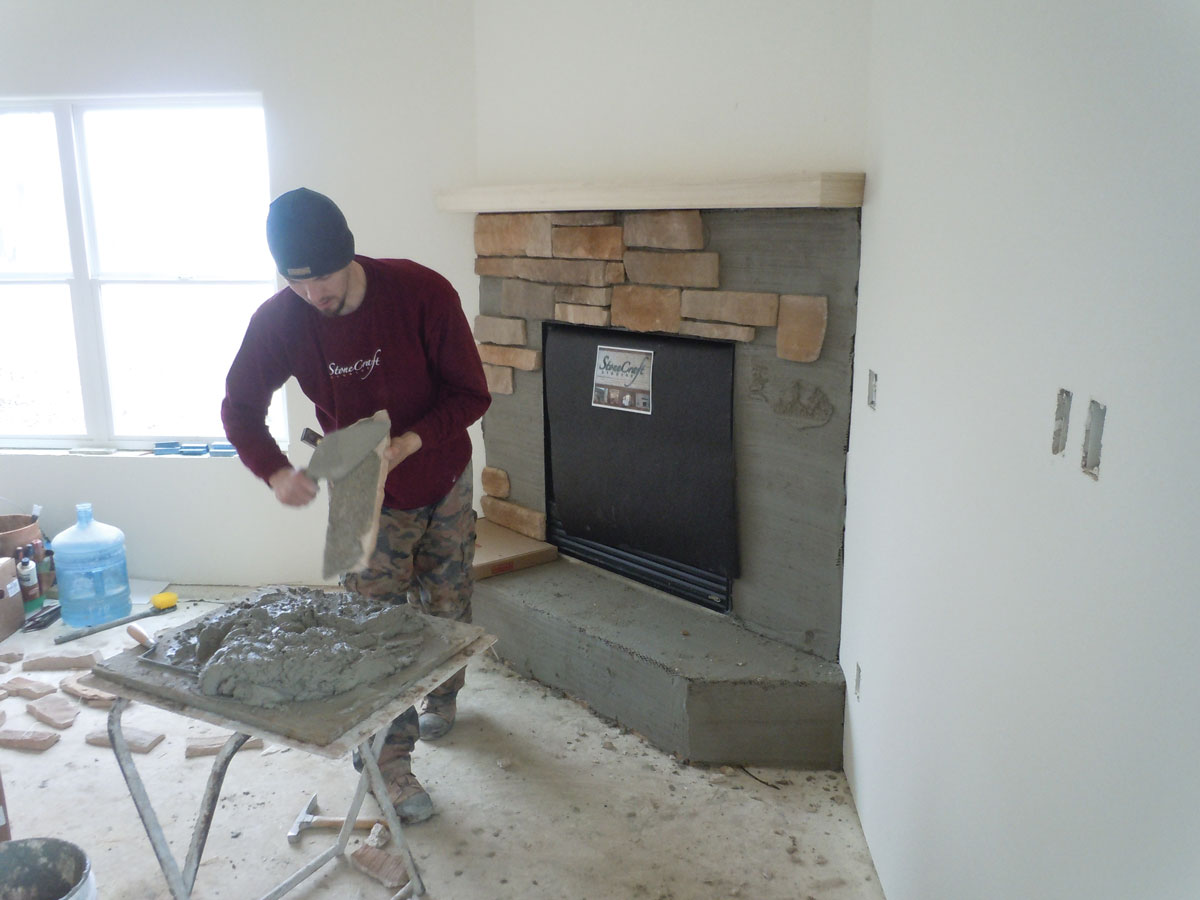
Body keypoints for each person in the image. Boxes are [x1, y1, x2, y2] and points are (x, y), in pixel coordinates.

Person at [221, 187, 491, 823]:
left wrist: (411, 442)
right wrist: (274, 470)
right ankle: (387, 763)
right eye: (296, 281)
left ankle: (443, 691)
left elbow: (471, 394)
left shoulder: (422, 293)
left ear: (348, 254)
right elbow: (239, 407)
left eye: (322, 278)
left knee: (449, 603)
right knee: (370, 631)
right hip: (358, 489)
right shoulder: (281, 320)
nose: (312, 294)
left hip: (442, 472)